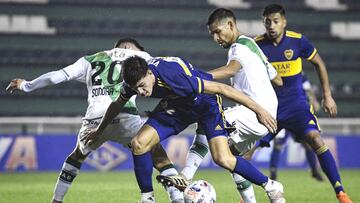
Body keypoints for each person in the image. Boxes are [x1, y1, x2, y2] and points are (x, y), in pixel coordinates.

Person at [82, 55, 286, 203]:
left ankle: (270, 185)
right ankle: (147, 198)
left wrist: (259, 110)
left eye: (143, 86)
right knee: (138, 144)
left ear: (149, 73)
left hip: (205, 105)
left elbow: (223, 89)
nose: (141, 92)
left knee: (223, 158)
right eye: (137, 90)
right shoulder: (133, 80)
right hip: (177, 106)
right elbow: (116, 104)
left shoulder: (174, 77)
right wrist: (99, 131)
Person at [6, 38, 184, 203]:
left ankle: (56, 200)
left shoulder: (89, 60)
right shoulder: (139, 57)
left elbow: (54, 77)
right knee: (158, 155)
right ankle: (176, 199)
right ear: (128, 47)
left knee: (76, 156)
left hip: (94, 120)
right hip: (125, 115)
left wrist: (26, 85)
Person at [166, 7, 283, 203]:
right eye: (212, 34)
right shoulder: (253, 47)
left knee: (208, 119)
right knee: (232, 158)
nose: (215, 38)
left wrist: (194, 79)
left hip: (255, 112)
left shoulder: (239, 46)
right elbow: (278, 79)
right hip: (264, 113)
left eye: (217, 31)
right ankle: (268, 197)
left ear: (230, 25)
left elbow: (230, 70)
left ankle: (186, 175)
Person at [253, 4, 352, 203]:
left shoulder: (298, 41)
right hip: (269, 108)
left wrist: (327, 95)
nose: (271, 25)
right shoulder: (256, 45)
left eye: (275, 21)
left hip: (297, 106)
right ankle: (245, 196)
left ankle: (340, 192)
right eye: (267, 21)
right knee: (247, 150)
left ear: (284, 22)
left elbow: (319, 64)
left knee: (315, 138)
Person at [264, 72, 323, 181]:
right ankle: (273, 174)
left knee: (307, 143)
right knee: (278, 144)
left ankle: (314, 170)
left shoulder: (300, 74)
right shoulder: (275, 72)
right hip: (281, 112)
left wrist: (314, 101)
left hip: (297, 114)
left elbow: (308, 89)